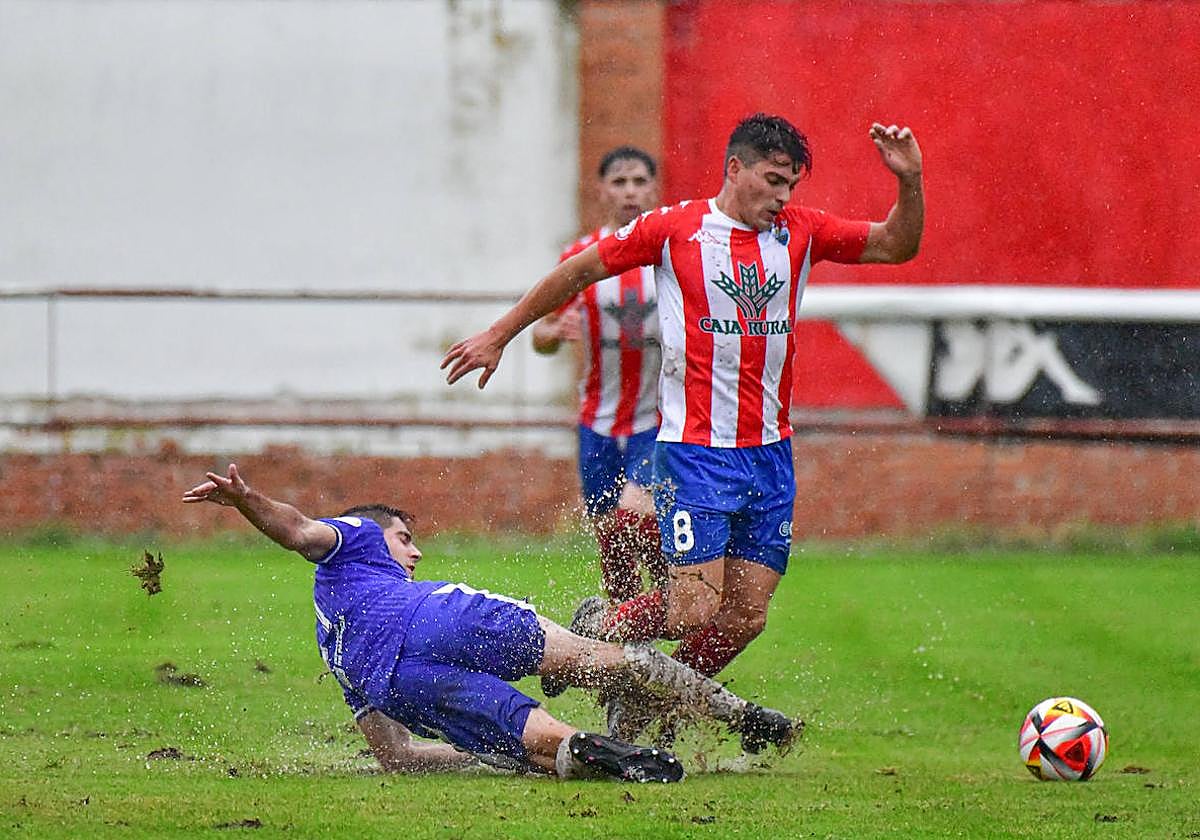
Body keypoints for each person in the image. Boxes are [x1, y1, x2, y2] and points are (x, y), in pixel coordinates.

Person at [441, 114, 924, 737]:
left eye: (792, 186)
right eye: (774, 181)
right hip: (697, 450)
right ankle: (593, 631)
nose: (783, 197)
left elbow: (896, 245)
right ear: (735, 168)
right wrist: (500, 334)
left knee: (746, 616)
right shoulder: (677, 230)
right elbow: (579, 271)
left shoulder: (802, 231)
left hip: (772, 454)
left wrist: (908, 182)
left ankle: (648, 698)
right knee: (694, 606)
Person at [181, 463, 799, 780]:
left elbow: (398, 756)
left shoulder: (335, 647)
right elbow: (296, 529)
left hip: (396, 684)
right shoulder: (358, 534)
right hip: (441, 617)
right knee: (611, 661)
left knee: (531, 743)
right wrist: (246, 501)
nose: (414, 551)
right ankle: (741, 717)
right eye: (407, 539)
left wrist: (477, 759)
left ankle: (579, 748)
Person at [532, 146, 665, 606]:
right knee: (612, 536)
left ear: (654, 187)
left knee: (636, 512)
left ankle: (669, 599)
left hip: (657, 418)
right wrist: (555, 333)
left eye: (639, 181)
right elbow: (540, 336)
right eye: (620, 182)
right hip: (597, 420)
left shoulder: (670, 254)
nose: (630, 192)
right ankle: (625, 633)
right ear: (602, 189)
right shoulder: (579, 257)